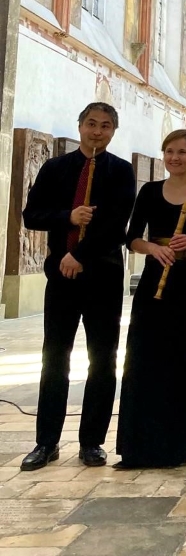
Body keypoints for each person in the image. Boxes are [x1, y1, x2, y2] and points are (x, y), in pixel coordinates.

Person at [20, 102, 135, 470]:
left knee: (102, 359)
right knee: (55, 357)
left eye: (104, 126)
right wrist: (67, 216)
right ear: (80, 126)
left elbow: (116, 225)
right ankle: (46, 442)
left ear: (113, 131)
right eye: (90, 124)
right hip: (61, 275)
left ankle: (91, 442)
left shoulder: (121, 171)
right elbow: (31, 216)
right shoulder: (56, 168)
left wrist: (80, 254)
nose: (96, 131)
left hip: (102, 274)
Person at [115, 130, 186, 468]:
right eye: (169, 152)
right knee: (147, 355)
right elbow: (132, 237)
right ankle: (145, 444)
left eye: (182, 152)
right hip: (155, 283)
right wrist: (153, 248)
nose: (175, 158)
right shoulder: (149, 191)